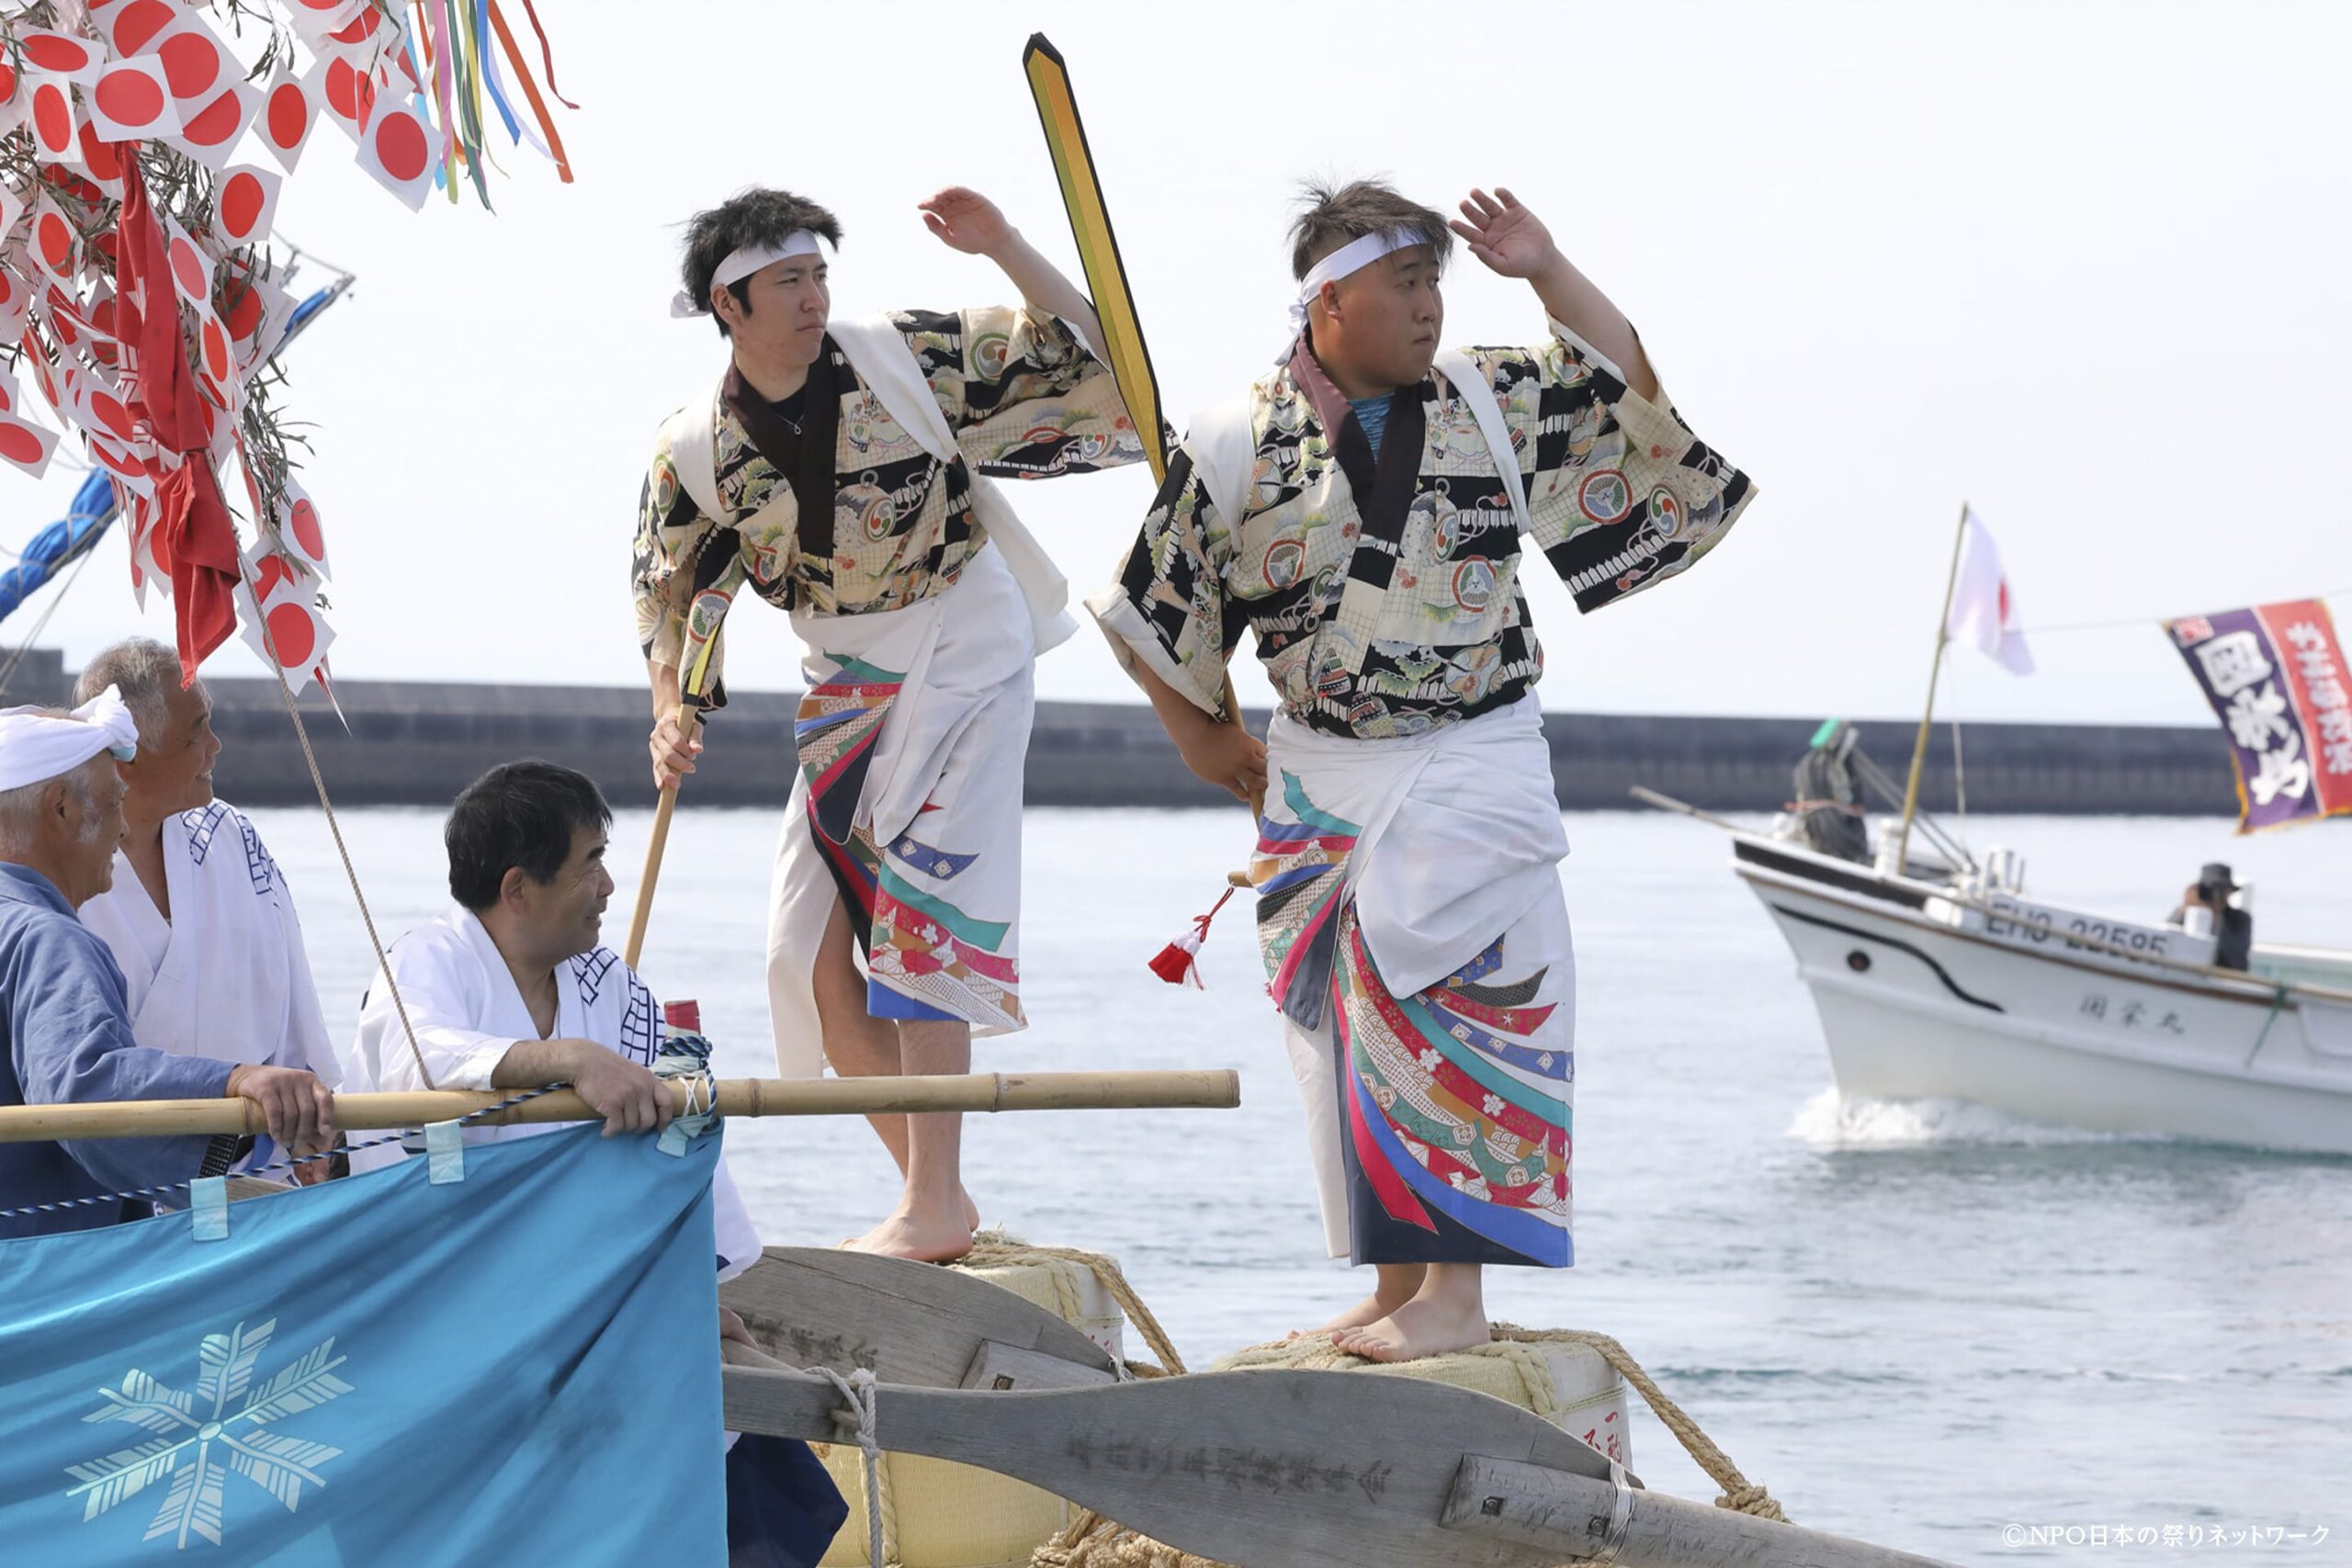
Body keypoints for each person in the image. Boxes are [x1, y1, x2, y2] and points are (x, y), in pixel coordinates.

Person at [1089, 181, 1755, 1360]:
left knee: (1466, 1015)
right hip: (1317, 770)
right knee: (1341, 1028)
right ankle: (1397, 1281)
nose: (1431, 306)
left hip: (1470, 754)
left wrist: (1546, 269)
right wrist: (1214, 748)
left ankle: (1459, 1295)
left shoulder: (1494, 400)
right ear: (1328, 298)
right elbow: (1158, 616)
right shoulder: (1233, 438)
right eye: (1407, 282)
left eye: (1438, 282)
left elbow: (1630, 400)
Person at [634, 185, 1148, 1260]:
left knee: (921, 906)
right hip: (843, 672)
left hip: (966, 639)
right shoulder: (692, 446)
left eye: (821, 273)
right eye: (790, 280)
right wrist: (671, 707)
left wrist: (1004, 244)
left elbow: (1093, 358)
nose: (816, 295)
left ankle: (931, 1202)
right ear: (730, 303)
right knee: (810, 955)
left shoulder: (897, 355)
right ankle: (934, 1199)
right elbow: (669, 591)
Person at [340, 760, 844, 1563]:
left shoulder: (607, 981)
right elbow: (420, 1061)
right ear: (518, 889)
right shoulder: (427, 959)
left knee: (728, 1439)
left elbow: (675, 1122)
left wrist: (694, 1283)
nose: (609, 884)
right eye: (590, 863)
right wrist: (568, 1057)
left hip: (582, 1285)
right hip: (442, 1286)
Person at [0, 689, 334, 1239]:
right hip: (35, 1282)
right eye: (111, 806)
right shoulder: (46, 938)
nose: (124, 829)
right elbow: (83, 1094)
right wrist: (236, 1081)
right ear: (60, 807)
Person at [73, 638, 341, 1179]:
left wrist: (317, 1120)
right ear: (130, 756)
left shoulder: (234, 837)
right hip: (104, 1188)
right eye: (197, 731)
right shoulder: (61, 864)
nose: (216, 747)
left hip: (258, 1170)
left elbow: (295, 1001)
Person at [2170, 862, 2253, 970]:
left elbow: (2239, 962)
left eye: (2222, 890)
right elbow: (2167, 936)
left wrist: (2217, 917)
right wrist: (2185, 910)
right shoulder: (2186, 912)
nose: (2216, 895)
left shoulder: (2240, 919)